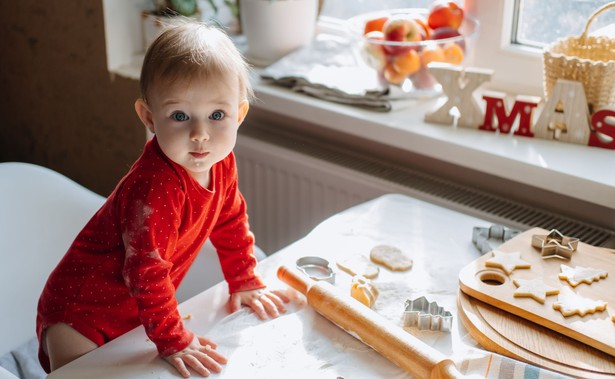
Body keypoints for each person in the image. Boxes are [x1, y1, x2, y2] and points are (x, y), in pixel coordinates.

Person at [36, 21, 289, 378]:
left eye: (217, 115)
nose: (200, 135)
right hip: (81, 317)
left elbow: (230, 220)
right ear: (149, 118)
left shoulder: (221, 161)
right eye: (180, 116)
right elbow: (147, 273)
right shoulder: (156, 187)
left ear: (240, 114)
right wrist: (175, 340)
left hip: (133, 314)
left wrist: (244, 279)